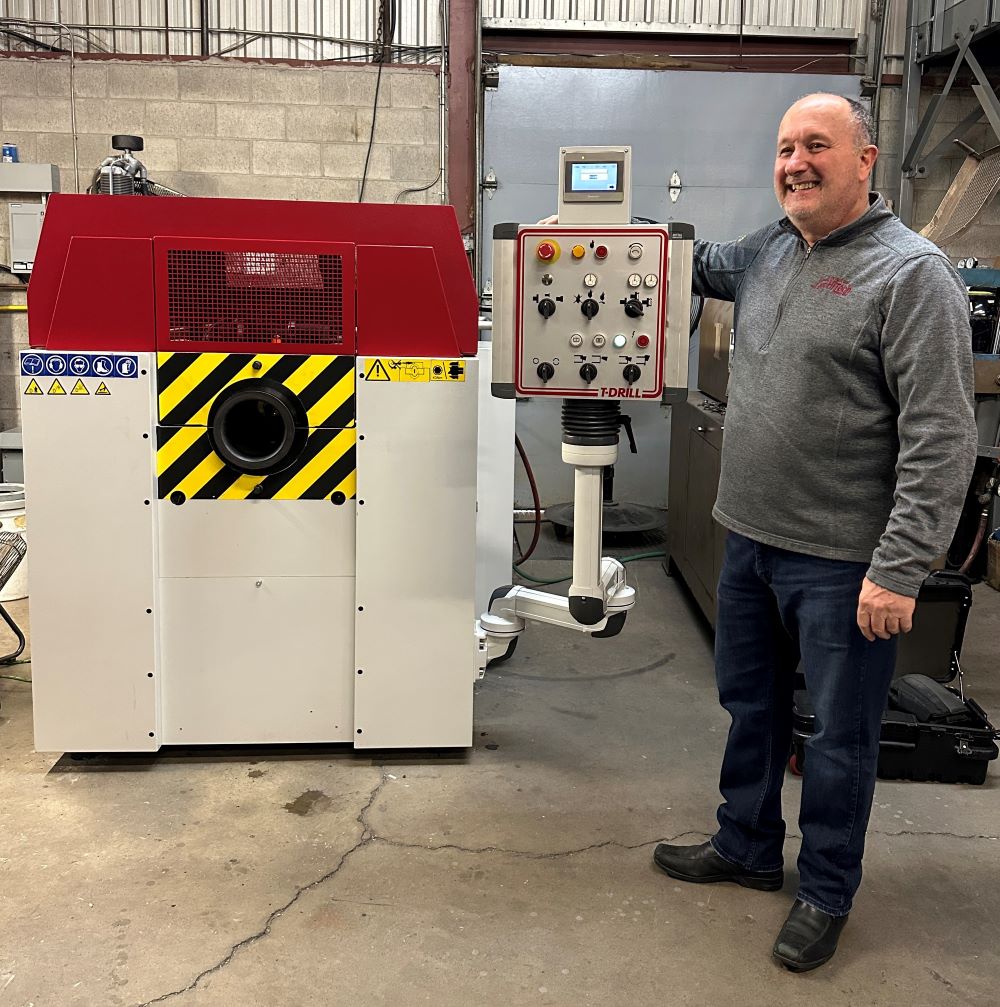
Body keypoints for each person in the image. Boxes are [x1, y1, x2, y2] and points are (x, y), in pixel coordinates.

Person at [652, 93, 977, 972]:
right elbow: (697, 262)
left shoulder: (912, 276)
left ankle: (827, 887)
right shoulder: (768, 248)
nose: (796, 161)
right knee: (750, 708)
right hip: (749, 540)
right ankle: (747, 845)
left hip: (845, 564)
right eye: (786, 146)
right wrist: (618, 230)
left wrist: (900, 570)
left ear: (865, 161)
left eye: (817, 146)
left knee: (836, 738)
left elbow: (944, 438)